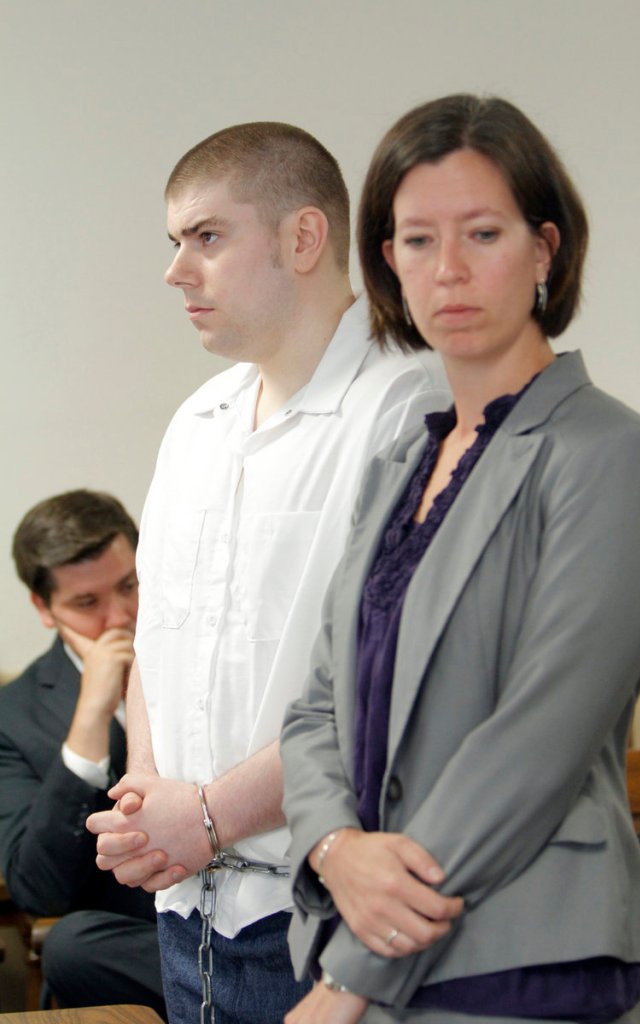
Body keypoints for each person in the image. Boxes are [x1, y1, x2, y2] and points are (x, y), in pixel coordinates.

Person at [279, 94, 640, 1024]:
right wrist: (335, 847)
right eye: (416, 241)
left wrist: (352, 976)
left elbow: (539, 738)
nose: (448, 270)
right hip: (366, 934)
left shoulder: (606, 451)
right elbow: (312, 711)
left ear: (544, 249)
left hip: (525, 958)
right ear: (387, 262)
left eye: (482, 233)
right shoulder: (396, 464)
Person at [85, 121, 450, 1024]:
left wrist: (206, 815)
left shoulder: (410, 406)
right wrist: (149, 804)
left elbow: (391, 679)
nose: (177, 270)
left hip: (324, 922)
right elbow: (155, 644)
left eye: (206, 236)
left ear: (302, 236)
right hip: (188, 911)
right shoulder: (196, 419)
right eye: (175, 243)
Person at [0, 490, 165, 1016]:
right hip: (140, 935)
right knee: (72, 948)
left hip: (249, 904)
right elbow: (39, 891)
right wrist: (91, 718)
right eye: (87, 603)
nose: (121, 617)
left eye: (129, 586)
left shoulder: (211, 658)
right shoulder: (14, 715)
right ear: (44, 608)